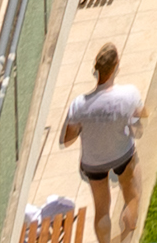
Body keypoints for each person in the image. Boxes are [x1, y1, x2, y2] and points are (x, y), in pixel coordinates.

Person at [59, 43, 143, 238]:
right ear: (116, 67)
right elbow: (138, 129)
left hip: (93, 163)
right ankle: (128, 233)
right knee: (132, 194)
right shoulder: (129, 94)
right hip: (122, 155)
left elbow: (67, 140)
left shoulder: (79, 105)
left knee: (102, 208)